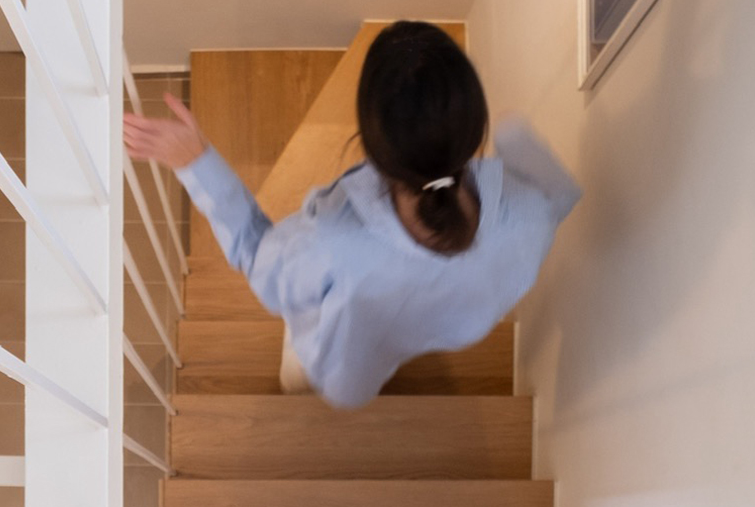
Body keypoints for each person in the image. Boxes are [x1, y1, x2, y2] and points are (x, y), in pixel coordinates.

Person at [123, 20, 581, 410]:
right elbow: (560, 196)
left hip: (351, 366)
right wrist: (516, 140)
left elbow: (260, 262)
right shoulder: (529, 208)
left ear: (369, 140)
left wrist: (195, 162)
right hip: (457, 325)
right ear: (472, 124)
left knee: (299, 370)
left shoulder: (329, 245)